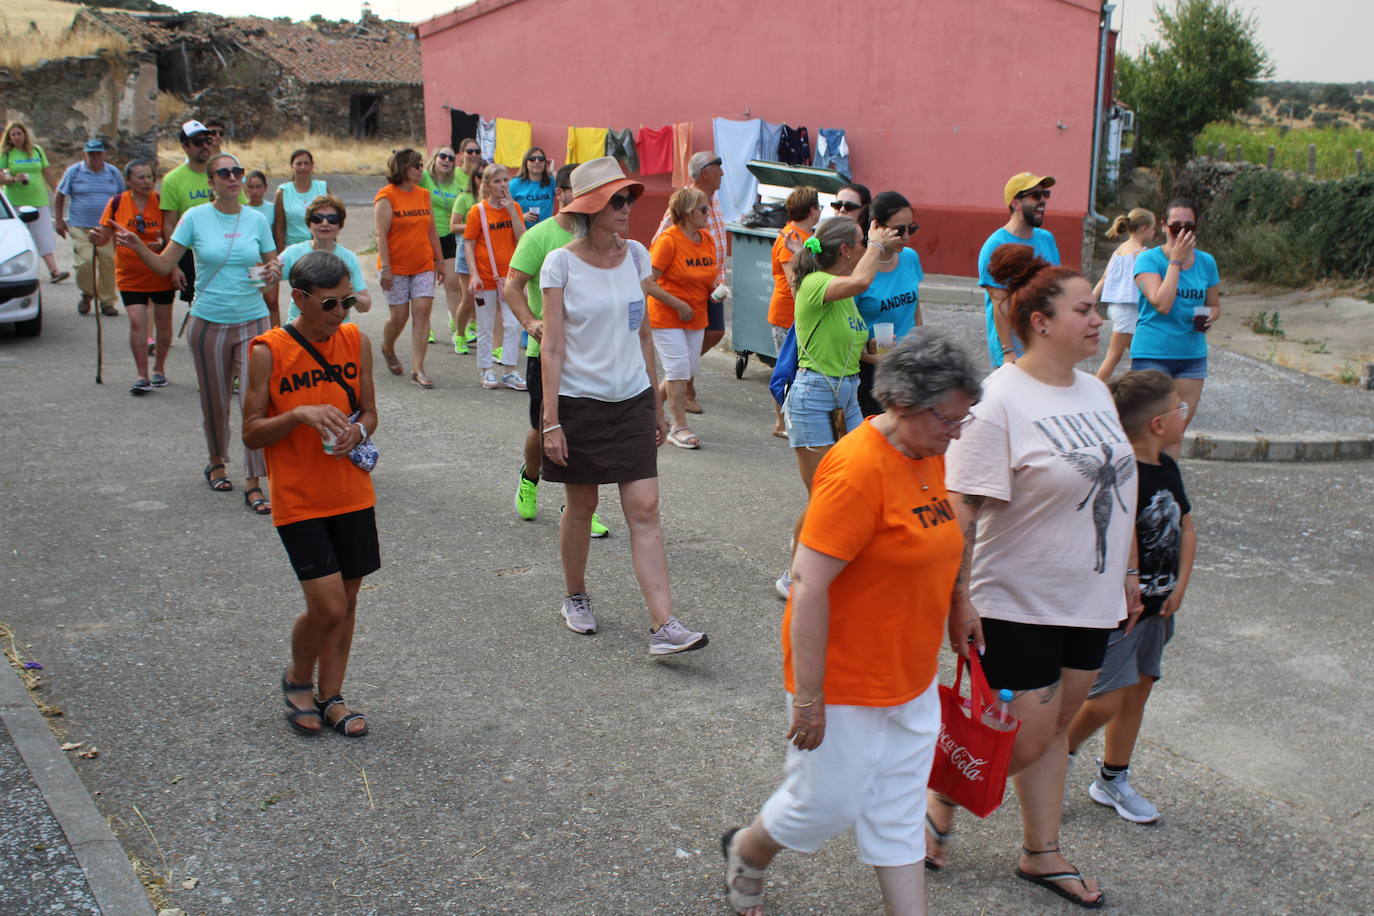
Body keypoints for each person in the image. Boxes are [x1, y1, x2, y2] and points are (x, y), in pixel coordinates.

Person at [721, 329, 981, 916]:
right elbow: (808, 585)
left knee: (898, 809)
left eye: (965, 417)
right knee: (825, 804)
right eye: (948, 418)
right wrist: (809, 698)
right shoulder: (857, 469)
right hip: (846, 682)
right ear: (902, 404)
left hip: (910, 675)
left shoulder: (930, 452)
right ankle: (748, 850)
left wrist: (961, 599)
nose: (958, 431)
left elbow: (949, 530)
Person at [934, 243, 1142, 910]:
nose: (1099, 320)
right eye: (1084, 309)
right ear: (1041, 322)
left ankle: (1040, 851)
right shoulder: (997, 400)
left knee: (1054, 730)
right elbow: (961, 508)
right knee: (1019, 737)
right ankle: (936, 803)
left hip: (1092, 596)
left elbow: (1125, 487)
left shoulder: (1095, 390)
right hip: (1017, 597)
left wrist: (1131, 573)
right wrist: (957, 598)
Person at [538, 157, 708, 654]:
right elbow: (552, 346)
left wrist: (655, 403)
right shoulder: (561, 263)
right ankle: (575, 595)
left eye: (628, 198)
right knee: (583, 504)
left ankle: (664, 626)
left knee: (645, 507)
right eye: (615, 200)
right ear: (589, 207)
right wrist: (551, 422)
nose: (626, 207)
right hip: (579, 403)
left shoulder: (636, 255)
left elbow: (643, 331)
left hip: (632, 398)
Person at [242, 249, 379, 738]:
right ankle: (298, 678)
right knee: (327, 607)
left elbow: (369, 411)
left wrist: (356, 434)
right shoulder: (268, 350)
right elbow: (252, 432)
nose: (339, 313)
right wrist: (298, 414)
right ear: (299, 298)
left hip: (352, 494)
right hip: (299, 498)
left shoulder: (354, 340)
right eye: (329, 304)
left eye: (345, 301)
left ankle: (332, 696)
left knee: (348, 601)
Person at [113, 153, 281, 513]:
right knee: (215, 401)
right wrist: (137, 245)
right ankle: (216, 459)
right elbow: (163, 263)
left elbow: (272, 261)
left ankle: (254, 481)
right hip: (208, 322)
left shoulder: (255, 219)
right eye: (224, 173)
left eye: (237, 171)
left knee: (254, 403)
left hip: (253, 320)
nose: (233, 177)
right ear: (211, 182)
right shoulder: (195, 218)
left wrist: (272, 271)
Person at [1067, 369, 1195, 825]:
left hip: (1161, 604)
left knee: (1138, 690)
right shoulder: (1124, 472)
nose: (1186, 413)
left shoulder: (1168, 466)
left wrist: (1179, 585)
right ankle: (1055, 754)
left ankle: (1112, 777)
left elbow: (1185, 524)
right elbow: (1117, 534)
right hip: (1124, 607)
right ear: (1158, 423)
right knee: (1105, 698)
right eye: (1179, 407)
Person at [776, 217, 897, 598]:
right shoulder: (815, 284)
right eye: (861, 242)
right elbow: (863, 280)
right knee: (825, 495)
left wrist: (896, 356)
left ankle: (838, 562)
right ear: (846, 250)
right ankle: (793, 575)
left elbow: (858, 349)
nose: (865, 246)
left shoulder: (842, 294)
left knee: (859, 483)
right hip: (814, 398)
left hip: (846, 396)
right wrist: (876, 246)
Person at [505, 163, 606, 537]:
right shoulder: (539, 237)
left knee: (584, 431)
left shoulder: (600, 236)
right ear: (561, 194)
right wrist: (531, 323)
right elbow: (512, 287)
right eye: (576, 191)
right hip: (545, 353)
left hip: (589, 354)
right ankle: (530, 478)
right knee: (542, 429)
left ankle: (578, 505)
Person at [1131, 198, 1220, 456]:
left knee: (1175, 430)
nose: (1181, 233)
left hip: (1191, 357)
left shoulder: (1207, 262)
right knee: (1147, 431)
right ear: (1163, 226)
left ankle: (1167, 489)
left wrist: (1211, 315)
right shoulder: (1148, 260)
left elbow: (1214, 304)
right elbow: (1162, 303)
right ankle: (1142, 487)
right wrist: (1176, 262)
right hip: (1153, 354)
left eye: (1188, 227)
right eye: (1175, 227)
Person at [91, 159, 177, 394]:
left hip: (160, 273)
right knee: (137, 321)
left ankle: (159, 368)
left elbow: (172, 234)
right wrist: (95, 236)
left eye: (150, 176)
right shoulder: (117, 203)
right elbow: (104, 237)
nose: (147, 181)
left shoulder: (161, 201)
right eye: (141, 177)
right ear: (128, 180)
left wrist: (168, 254)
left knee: (163, 323)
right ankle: (142, 374)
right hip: (130, 276)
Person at [654, 151, 728, 414]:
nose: (722, 173)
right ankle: (683, 391)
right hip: (686, 286)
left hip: (712, 281)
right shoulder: (688, 202)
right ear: (705, 172)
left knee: (716, 332)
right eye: (718, 168)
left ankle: (682, 382)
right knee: (683, 358)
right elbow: (662, 238)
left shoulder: (713, 200)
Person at [649, 187, 717, 448]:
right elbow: (648, 281)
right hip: (666, 316)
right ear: (688, 212)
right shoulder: (669, 241)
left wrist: (714, 290)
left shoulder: (706, 239)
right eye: (703, 209)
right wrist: (677, 303)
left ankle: (645, 409)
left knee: (686, 370)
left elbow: (707, 273)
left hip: (696, 315)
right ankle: (678, 427)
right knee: (677, 370)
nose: (707, 213)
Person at [376, 148, 444, 389]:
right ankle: (388, 347)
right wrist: (386, 268)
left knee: (422, 311)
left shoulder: (424, 195)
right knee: (400, 316)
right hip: (395, 267)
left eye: (421, 165)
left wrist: (440, 261)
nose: (420, 170)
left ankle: (418, 368)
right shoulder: (386, 196)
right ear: (404, 168)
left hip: (423, 263)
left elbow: (432, 231)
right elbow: (381, 235)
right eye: (417, 166)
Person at [979, 172, 1060, 368]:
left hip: (1045, 347)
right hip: (1015, 352)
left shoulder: (1047, 238)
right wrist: (1008, 352)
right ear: (1015, 203)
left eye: (1045, 194)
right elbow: (1000, 304)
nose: (1043, 201)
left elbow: (1055, 290)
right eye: (1035, 196)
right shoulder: (995, 245)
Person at [855, 191, 925, 416]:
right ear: (876, 227)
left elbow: (915, 305)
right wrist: (868, 352)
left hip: (906, 364)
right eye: (899, 230)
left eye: (910, 228)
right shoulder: (860, 269)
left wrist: (920, 341)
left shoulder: (910, 258)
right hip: (868, 369)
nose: (906, 236)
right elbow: (842, 325)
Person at [464, 162, 526, 390]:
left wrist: (511, 210)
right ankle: (486, 369)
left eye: (505, 180)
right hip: (485, 277)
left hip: (510, 277)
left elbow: (522, 239)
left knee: (512, 324)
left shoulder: (515, 207)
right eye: (497, 181)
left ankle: (509, 370)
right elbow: (469, 244)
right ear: (487, 185)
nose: (502, 185)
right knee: (485, 325)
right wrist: (473, 274)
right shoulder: (477, 211)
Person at [767, 186, 821, 437]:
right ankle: (780, 423)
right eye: (818, 206)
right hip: (788, 315)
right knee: (786, 368)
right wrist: (804, 315)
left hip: (796, 314)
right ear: (812, 210)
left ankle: (788, 419)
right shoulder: (790, 238)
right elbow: (793, 282)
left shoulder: (805, 236)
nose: (820, 211)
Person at [54, 139, 125, 316]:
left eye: (98, 153)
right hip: (81, 226)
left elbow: (122, 199)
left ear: (104, 154)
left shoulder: (113, 172)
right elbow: (60, 195)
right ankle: (87, 293)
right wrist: (59, 220)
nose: (94, 157)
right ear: (84, 154)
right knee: (86, 261)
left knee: (108, 262)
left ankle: (107, 301)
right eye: (90, 154)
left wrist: (121, 225)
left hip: (106, 227)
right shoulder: (74, 172)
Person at [160, 120, 223, 305]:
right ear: (185, 147)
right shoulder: (172, 180)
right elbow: (169, 225)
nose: (205, 146)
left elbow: (243, 210)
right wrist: (174, 266)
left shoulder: (224, 173)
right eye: (198, 142)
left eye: (207, 140)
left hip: (225, 246)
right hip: (191, 254)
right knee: (198, 306)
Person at [279, 195, 371, 320]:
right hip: (300, 330)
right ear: (309, 224)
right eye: (317, 219)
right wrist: (269, 272)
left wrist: (351, 294)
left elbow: (365, 306)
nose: (325, 223)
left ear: (340, 226)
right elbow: (265, 283)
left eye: (332, 219)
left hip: (337, 329)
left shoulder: (349, 258)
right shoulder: (292, 252)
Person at [0, 121, 68, 283]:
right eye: (13, 134)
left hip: (38, 200)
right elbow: (1, 177)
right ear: (9, 137)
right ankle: (19, 272)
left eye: (19, 133)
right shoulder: (6, 154)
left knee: (43, 236)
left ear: (25, 135)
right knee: (17, 238)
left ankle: (54, 271)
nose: (16, 137)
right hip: (15, 202)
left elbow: (47, 173)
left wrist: (57, 191)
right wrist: (13, 179)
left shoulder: (37, 151)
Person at [1093, 209, 1157, 381]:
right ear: (1144, 228)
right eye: (1153, 228)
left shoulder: (1120, 249)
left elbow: (1104, 278)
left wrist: (1092, 298)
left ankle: (1143, 392)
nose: (1154, 232)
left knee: (1142, 356)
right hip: (1128, 311)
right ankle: (1093, 391)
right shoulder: (1143, 254)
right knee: (1113, 356)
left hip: (1117, 308)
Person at [420, 146, 466, 351]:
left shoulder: (457, 183)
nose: (446, 160)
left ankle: (458, 329)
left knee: (453, 283)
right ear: (435, 158)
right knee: (427, 285)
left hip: (448, 238)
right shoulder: (424, 178)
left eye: (450, 157)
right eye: (443, 156)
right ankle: (426, 327)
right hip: (426, 236)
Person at [447, 139, 484, 353]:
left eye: (486, 177)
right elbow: (453, 226)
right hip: (466, 250)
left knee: (491, 301)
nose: (483, 181)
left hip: (487, 253)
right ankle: (459, 334)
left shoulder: (494, 201)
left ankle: (489, 340)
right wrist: (475, 226)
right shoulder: (464, 198)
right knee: (468, 298)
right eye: (479, 176)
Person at [273, 149, 328, 253]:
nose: (303, 167)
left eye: (306, 163)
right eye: (298, 164)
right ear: (292, 166)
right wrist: (281, 256)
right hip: (292, 249)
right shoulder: (283, 192)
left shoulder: (323, 188)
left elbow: (332, 222)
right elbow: (279, 228)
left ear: (312, 166)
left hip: (320, 249)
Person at [509, 147, 556, 227]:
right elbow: (504, 210)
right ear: (525, 163)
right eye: (532, 159)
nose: (537, 162)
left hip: (546, 231)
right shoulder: (515, 184)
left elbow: (566, 190)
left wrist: (552, 171)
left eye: (541, 159)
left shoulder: (551, 182)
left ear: (545, 163)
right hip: (523, 232)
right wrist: (522, 217)